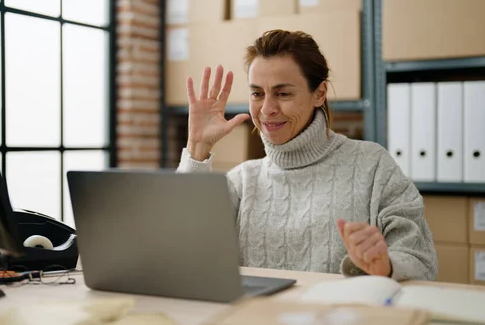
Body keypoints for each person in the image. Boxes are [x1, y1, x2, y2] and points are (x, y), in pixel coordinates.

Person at [176, 29, 437, 281]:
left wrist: (385, 265)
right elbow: (180, 250)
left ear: (319, 93)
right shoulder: (241, 181)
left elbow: (421, 259)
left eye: (283, 93)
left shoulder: (373, 165)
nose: (267, 109)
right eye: (257, 93)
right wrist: (197, 148)